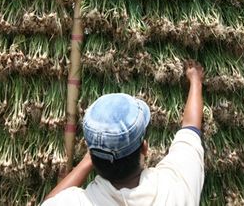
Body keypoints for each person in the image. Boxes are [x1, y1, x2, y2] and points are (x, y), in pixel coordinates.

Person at [42, 61, 205, 205]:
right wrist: (195, 81)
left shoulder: (79, 201)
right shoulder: (175, 188)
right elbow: (191, 128)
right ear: (144, 148)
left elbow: (50, 202)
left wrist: (89, 160)